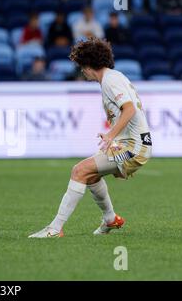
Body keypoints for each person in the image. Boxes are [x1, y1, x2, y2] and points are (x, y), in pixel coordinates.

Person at [29, 38, 152, 238]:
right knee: (91, 176)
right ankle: (110, 219)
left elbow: (129, 109)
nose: (82, 71)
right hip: (132, 145)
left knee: (79, 170)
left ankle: (55, 229)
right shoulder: (114, 76)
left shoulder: (110, 81)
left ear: (88, 65)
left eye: (81, 66)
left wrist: (112, 136)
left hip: (132, 147)